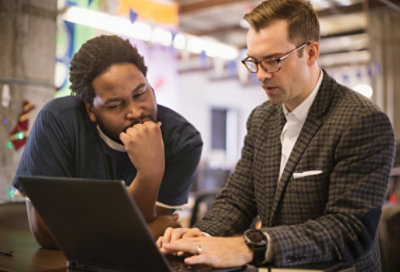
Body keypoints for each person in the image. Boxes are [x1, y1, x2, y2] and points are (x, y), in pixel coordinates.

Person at [157, 0, 395, 271]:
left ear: (311, 53)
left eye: (272, 61)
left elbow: (348, 230)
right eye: (254, 62)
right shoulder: (262, 119)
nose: (260, 75)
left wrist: (252, 245)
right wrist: (201, 235)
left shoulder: (361, 121)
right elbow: (238, 198)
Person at [12, 35, 203, 249]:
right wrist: (150, 176)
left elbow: (146, 237)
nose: (135, 111)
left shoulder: (183, 140)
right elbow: (46, 233)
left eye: (140, 93)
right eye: (115, 105)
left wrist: (150, 173)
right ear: (90, 110)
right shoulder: (58, 121)